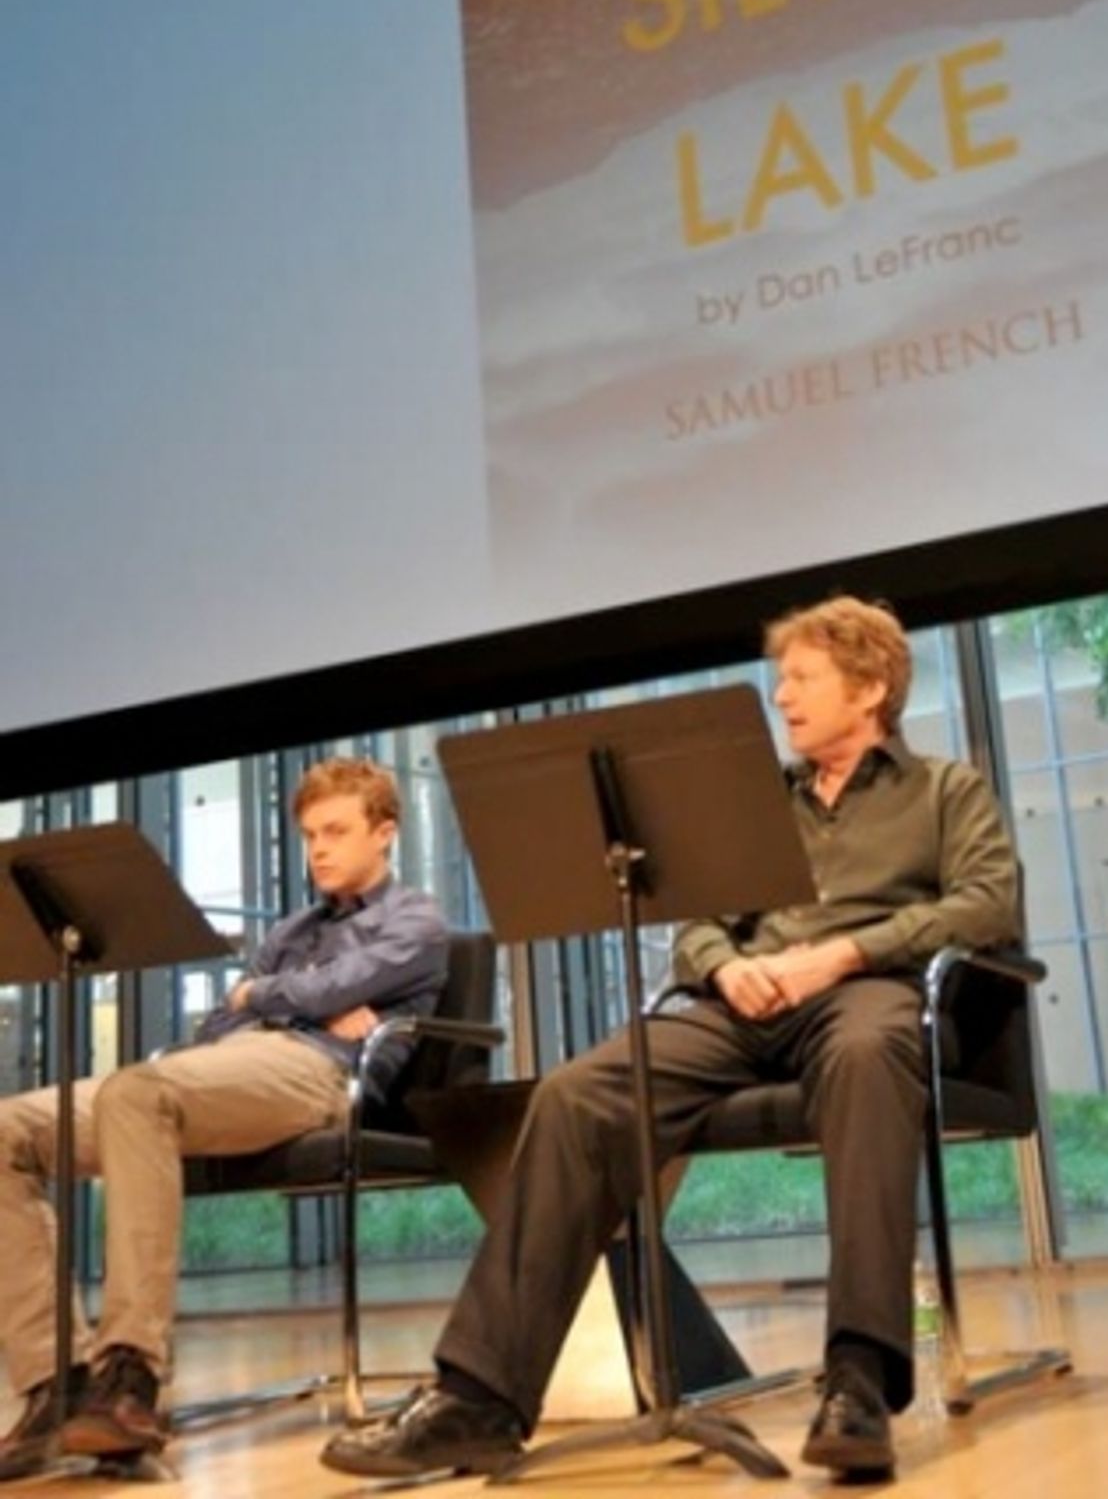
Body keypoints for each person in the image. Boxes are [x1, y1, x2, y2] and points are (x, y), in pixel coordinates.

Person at [322, 595, 1018, 1483]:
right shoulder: (763, 800)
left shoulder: (945, 790)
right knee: (577, 1093)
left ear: (871, 686)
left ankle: (859, 1379)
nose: (782, 696)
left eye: (801, 679)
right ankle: (478, 1397)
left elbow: (987, 903)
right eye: (780, 680)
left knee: (866, 1053)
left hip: (866, 994)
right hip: (744, 1004)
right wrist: (725, 966)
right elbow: (696, 922)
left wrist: (844, 952)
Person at [0, 754, 448, 1481]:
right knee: (7, 1128)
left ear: (385, 831)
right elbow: (220, 1022)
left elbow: (304, 993)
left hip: (316, 1072)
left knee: (135, 1093)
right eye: (309, 835)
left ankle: (130, 1377)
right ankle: (58, 1387)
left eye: (335, 831)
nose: (318, 850)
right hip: (224, 1069)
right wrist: (300, 998)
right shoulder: (292, 929)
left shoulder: (416, 919)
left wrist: (265, 995)